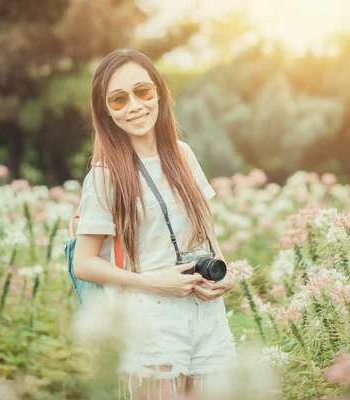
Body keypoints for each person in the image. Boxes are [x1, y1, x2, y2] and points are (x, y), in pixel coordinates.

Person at [73, 48, 238, 399]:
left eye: (142, 91)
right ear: (106, 110)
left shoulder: (182, 154)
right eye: (118, 99)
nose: (134, 105)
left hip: (207, 314)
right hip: (150, 320)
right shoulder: (105, 175)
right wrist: (153, 283)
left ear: (159, 92)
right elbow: (84, 263)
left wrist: (227, 276)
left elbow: (206, 231)